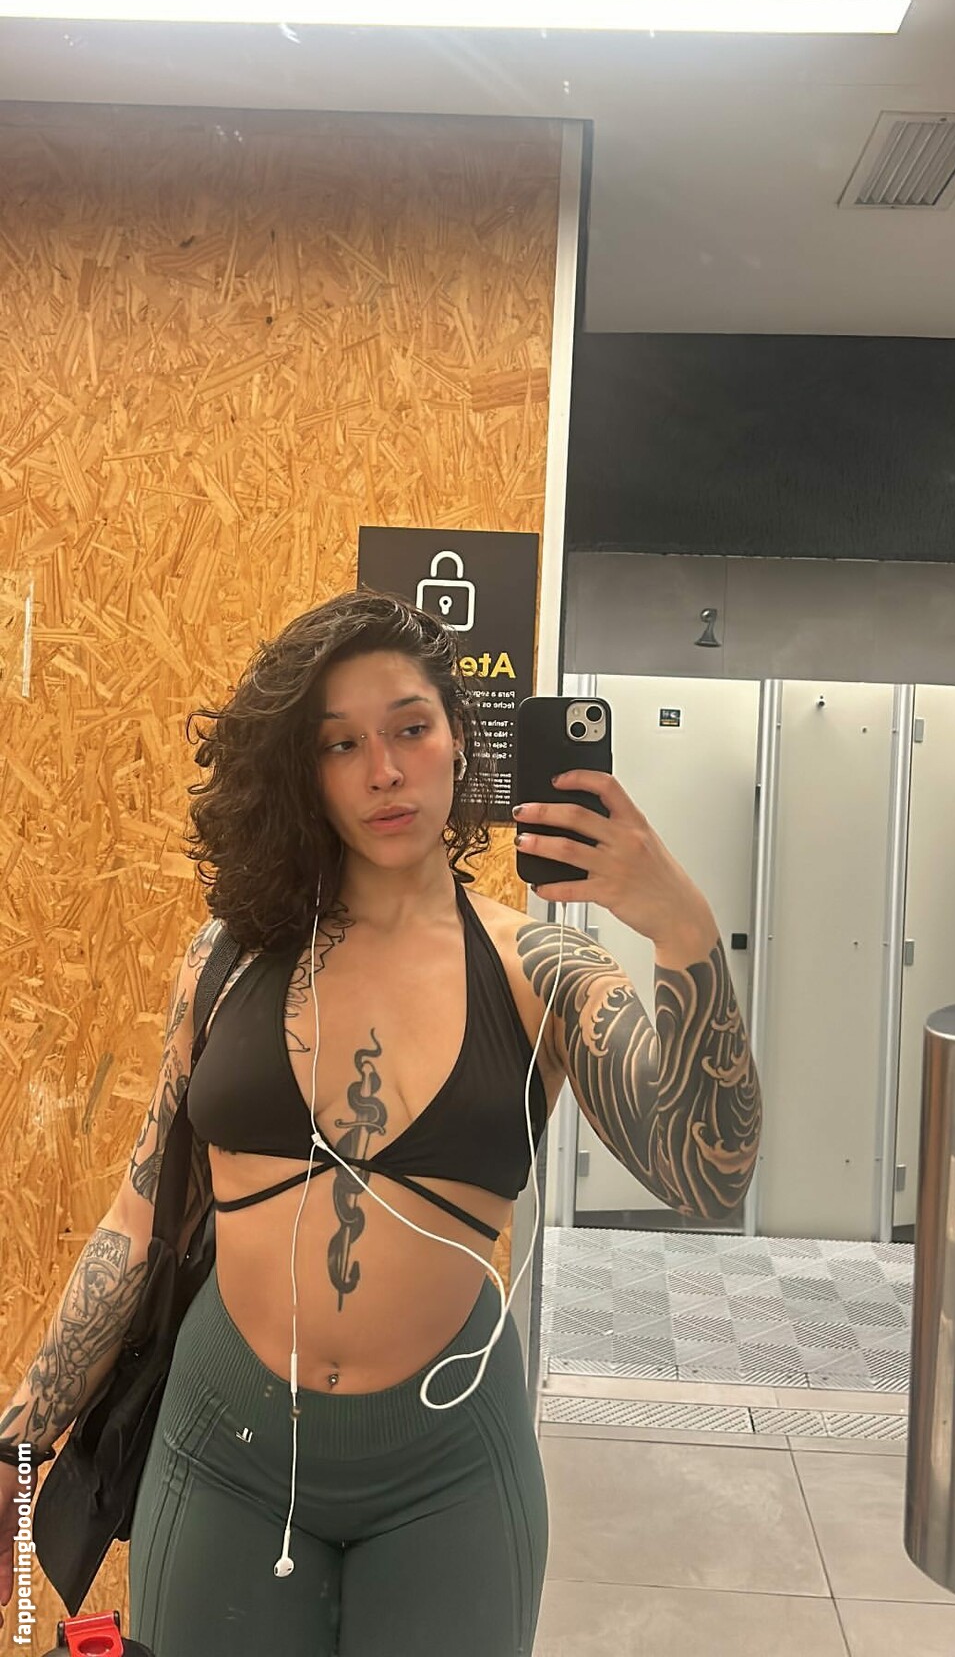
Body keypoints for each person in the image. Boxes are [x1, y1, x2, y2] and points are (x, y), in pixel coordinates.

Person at [0, 588, 762, 1655]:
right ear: (306, 773)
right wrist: (18, 1446)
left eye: (410, 728)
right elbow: (139, 1220)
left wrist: (680, 925)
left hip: (447, 1469)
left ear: (459, 740)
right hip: (224, 1446)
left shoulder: (541, 969)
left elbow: (709, 1174)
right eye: (342, 744)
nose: (385, 771)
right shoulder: (226, 961)